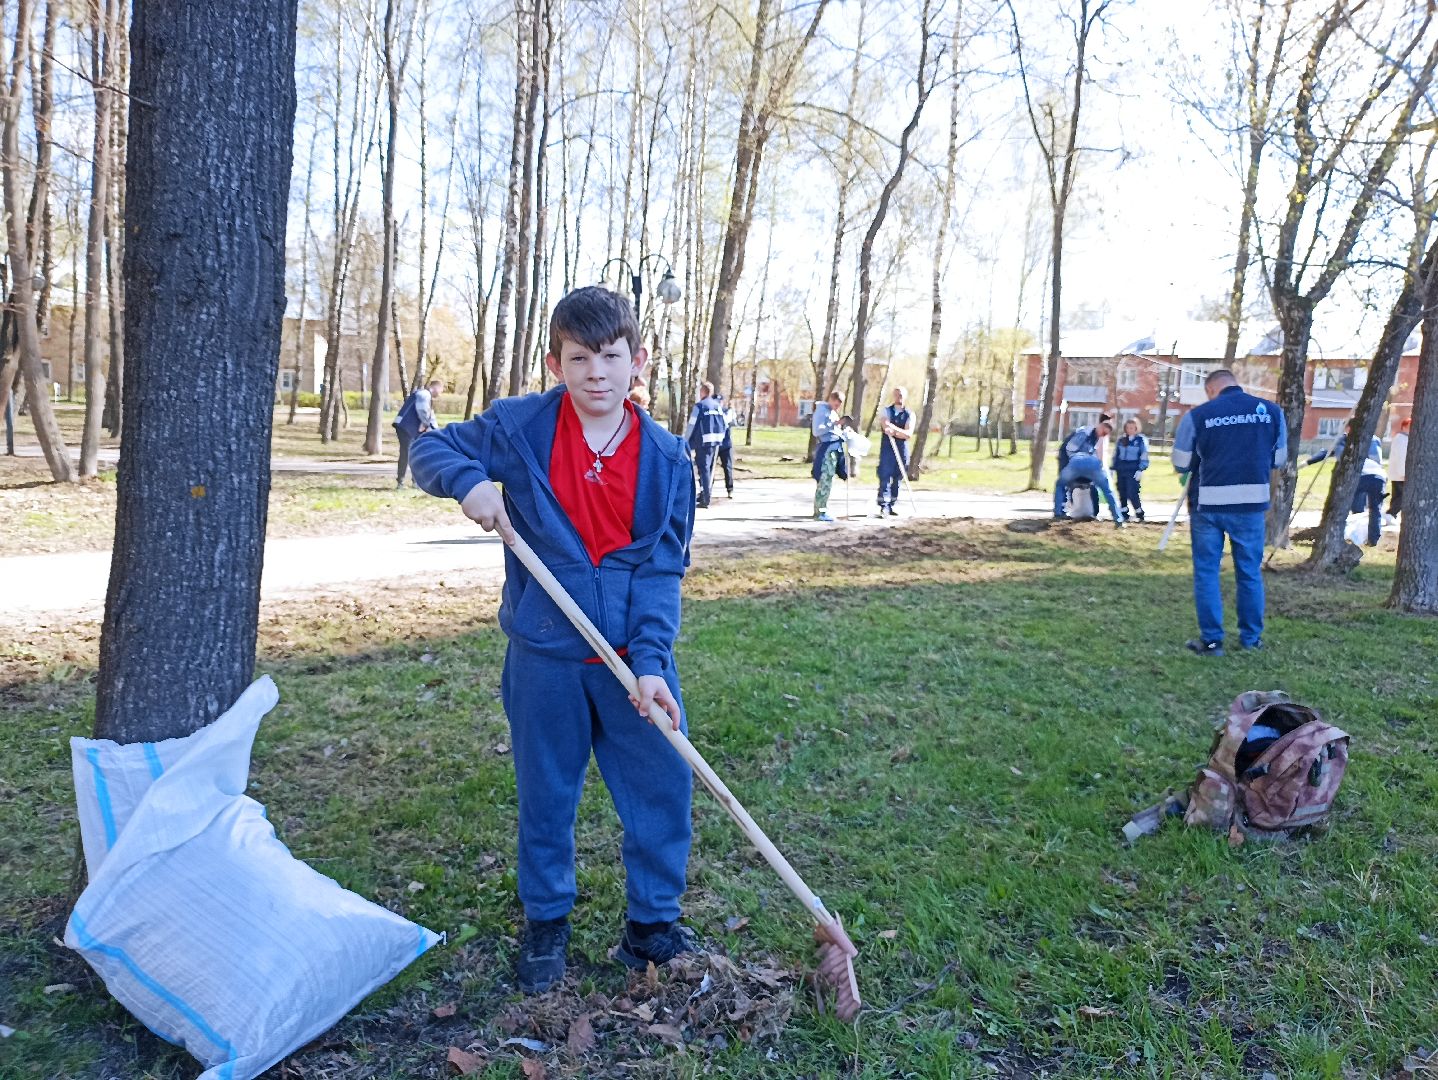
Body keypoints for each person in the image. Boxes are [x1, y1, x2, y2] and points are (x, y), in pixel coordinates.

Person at [410, 286, 697, 993]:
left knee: (663, 784)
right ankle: (546, 921)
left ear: (638, 361)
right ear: (555, 363)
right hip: (544, 656)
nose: (596, 373)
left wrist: (651, 662)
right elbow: (430, 449)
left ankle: (651, 926)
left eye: (611, 357)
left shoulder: (667, 460)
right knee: (546, 791)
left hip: (630, 661)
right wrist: (468, 482)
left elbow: (662, 570)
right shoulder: (521, 428)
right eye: (579, 358)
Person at [1171, 368, 1287, 657]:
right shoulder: (1271, 412)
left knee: (1207, 572)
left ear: (1211, 390)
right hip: (1251, 504)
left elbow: (1181, 462)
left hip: (1208, 505)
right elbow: (1279, 459)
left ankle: (1212, 641)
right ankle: (1251, 639)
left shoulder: (1198, 416)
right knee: (1249, 573)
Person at [1306, 420, 1385, 546]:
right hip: (1378, 476)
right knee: (1375, 509)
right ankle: (1372, 539)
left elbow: (1330, 452)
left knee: (1349, 506)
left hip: (1358, 476)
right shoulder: (1371, 439)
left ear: (1348, 428)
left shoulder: (1347, 440)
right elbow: (1327, 452)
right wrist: (1308, 462)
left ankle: (1347, 535)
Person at [1054, 418, 1113, 519]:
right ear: (1100, 427)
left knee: (1091, 485)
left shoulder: (1095, 438)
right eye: (1103, 432)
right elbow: (1070, 448)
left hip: (1080, 462)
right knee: (1064, 484)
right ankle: (1060, 512)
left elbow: (1091, 452)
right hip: (1067, 459)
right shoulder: (1085, 433)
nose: (1102, 436)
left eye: (1105, 435)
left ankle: (1093, 512)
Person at [685, 381, 728, 508]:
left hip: (703, 441)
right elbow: (725, 424)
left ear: (703, 392)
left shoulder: (700, 406)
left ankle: (706, 498)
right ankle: (705, 494)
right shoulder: (717, 406)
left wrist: (686, 441)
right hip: (716, 441)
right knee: (709, 469)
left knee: (703, 469)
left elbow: (691, 425)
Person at [1054, 449, 1124, 526]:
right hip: (1093, 466)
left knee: (1060, 485)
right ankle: (1118, 519)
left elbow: (1064, 477)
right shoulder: (1092, 456)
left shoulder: (1071, 456)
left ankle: (1057, 514)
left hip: (1075, 465)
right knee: (1108, 491)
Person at [394, 378, 442, 488]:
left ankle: (413, 482)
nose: (440, 394)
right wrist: (426, 424)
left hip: (407, 427)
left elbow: (431, 417)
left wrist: (437, 432)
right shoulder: (424, 394)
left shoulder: (424, 395)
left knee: (413, 453)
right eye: (441, 390)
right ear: (436, 387)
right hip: (406, 427)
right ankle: (402, 482)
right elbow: (423, 410)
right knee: (408, 454)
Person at [876, 387, 915, 516]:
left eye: (901, 395)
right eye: (897, 395)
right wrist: (897, 431)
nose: (899, 397)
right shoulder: (886, 411)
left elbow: (908, 434)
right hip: (888, 447)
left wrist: (894, 429)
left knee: (898, 477)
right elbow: (885, 425)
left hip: (902, 448)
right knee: (885, 475)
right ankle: (884, 505)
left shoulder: (910, 414)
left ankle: (892, 504)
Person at [811, 390, 848, 522]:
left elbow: (834, 430)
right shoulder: (822, 411)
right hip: (826, 450)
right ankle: (820, 512)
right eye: (836, 404)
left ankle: (822, 508)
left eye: (839, 405)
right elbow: (817, 431)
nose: (837, 407)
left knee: (829, 480)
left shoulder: (832, 412)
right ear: (831, 400)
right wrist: (833, 424)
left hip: (834, 449)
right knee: (825, 480)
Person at [1110, 417, 1151, 522]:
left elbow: (1144, 455)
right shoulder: (1121, 440)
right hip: (1121, 469)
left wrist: (1141, 469)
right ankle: (1124, 512)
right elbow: (1116, 455)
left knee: (1132, 491)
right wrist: (1113, 468)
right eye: (1127, 428)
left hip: (1133, 469)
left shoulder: (1140, 440)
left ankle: (1139, 512)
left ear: (1136, 428)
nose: (1129, 430)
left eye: (1132, 428)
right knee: (1121, 490)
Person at [1387, 417, 1410, 520]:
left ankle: (1391, 515)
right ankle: (1390, 514)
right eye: (1409, 426)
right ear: (1404, 427)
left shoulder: (1402, 438)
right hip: (1400, 474)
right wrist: (1403, 473)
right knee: (1401, 496)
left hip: (1398, 474)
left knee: (1397, 496)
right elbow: (1401, 457)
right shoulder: (1401, 439)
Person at [716, 397, 737, 498]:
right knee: (710, 468)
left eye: (720, 401)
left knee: (728, 467)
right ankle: (706, 491)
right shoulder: (713, 412)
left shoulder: (727, 412)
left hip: (726, 444)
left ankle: (730, 489)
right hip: (715, 444)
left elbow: (733, 422)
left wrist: (731, 410)